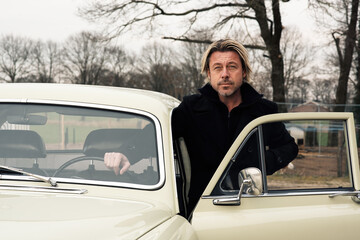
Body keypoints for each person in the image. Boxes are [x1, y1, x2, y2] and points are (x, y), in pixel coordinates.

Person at [105, 39, 298, 213]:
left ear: (244, 72)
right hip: (202, 206)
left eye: (232, 67)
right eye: (217, 68)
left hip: (249, 202)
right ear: (208, 73)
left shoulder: (264, 110)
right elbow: (159, 135)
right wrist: (126, 152)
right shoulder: (191, 108)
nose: (225, 74)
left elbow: (289, 147)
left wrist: (259, 164)